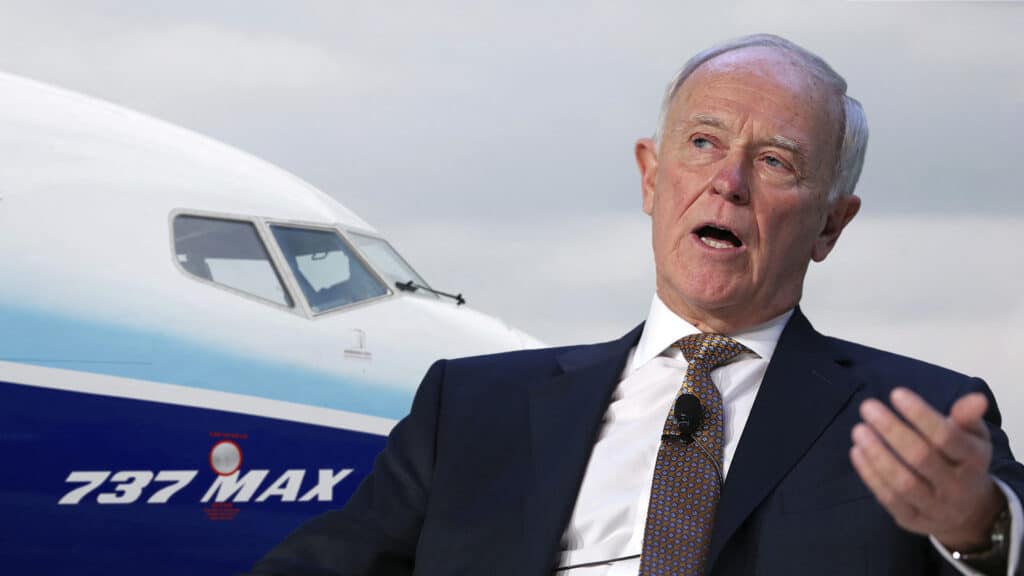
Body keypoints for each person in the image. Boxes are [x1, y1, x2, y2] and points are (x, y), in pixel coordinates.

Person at [247, 34, 1024, 576]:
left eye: (774, 161)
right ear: (652, 177)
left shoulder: (921, 420)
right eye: (703, 144)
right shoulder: (471, 410)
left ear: (830, 224)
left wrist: (978, 527)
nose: (728, 183)